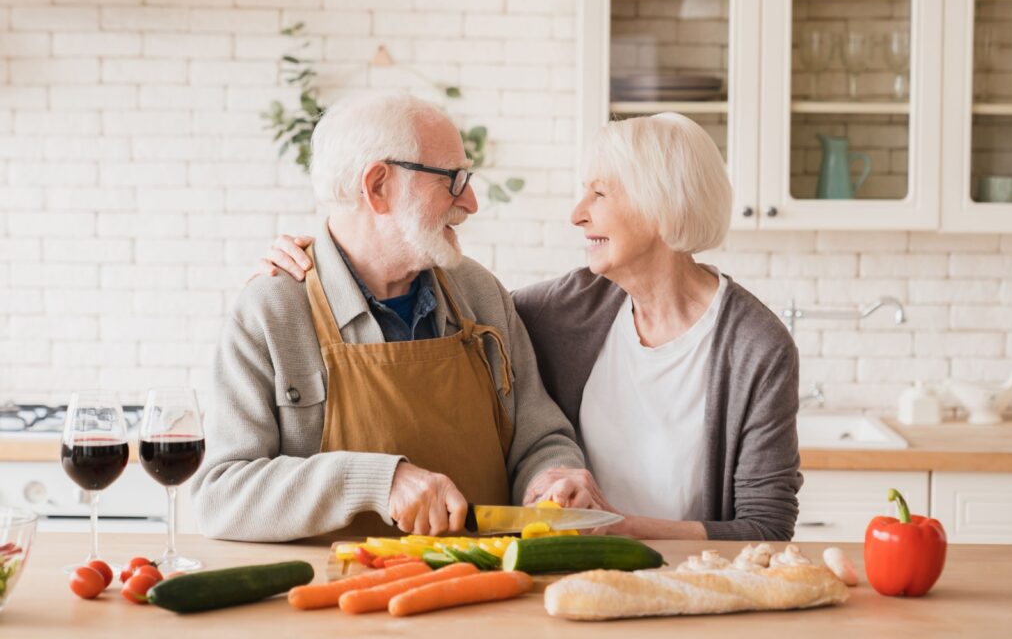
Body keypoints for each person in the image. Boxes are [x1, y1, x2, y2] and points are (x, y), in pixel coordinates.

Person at [258, 112, 803, 542]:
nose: (577, 214)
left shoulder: (756, 347)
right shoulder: (565, 308)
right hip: (572, 579)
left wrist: (621, 526)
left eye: (600, 194)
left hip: (696, 586)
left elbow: (767, 528)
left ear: (663, 204)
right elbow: (447, 320)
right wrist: (328, 258)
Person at [193, 93, 587, 543]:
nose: (472, 202)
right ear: (378, 186)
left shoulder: (481, 295)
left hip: (485, 596)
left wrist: (553, 478)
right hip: (331, 604)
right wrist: (378, 481)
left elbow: (539, 440)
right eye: (453, 180)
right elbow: (220, 496)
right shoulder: (272, 311)